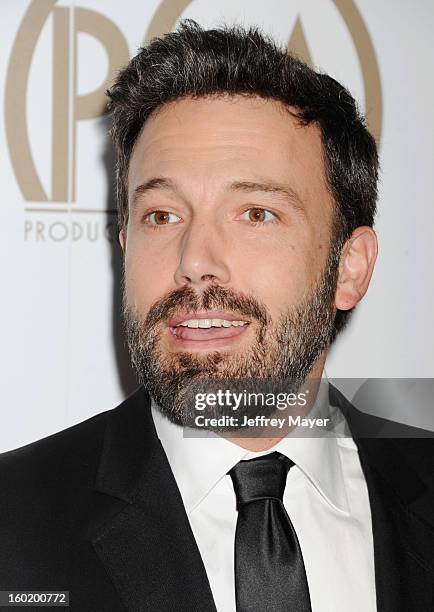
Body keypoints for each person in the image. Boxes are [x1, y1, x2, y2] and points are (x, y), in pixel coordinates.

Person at [0, 19, 433, 612]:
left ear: (350, 268)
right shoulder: (13, 519)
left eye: (255, 213)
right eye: (161, 215)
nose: (195, 262)